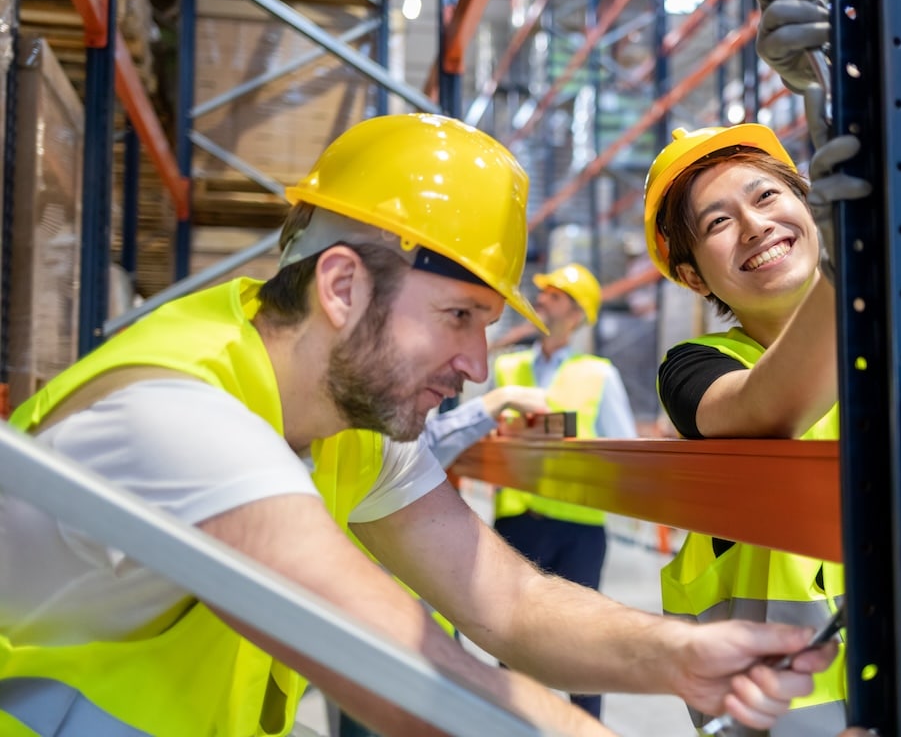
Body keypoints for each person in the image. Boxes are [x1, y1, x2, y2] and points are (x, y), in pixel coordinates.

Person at [0, 114, 840, 737]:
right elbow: (409, 675)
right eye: (458, 316)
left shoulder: (352, 426)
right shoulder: (176, 417)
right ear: (341, 288)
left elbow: (507, 604)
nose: (479, 364)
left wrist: (678, 658)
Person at [638, 0, 901, 737]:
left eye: (770, 194)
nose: (755, 226)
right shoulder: (696, 369)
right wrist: (853, 255)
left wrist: (874, 96)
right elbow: (767, 410)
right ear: (690, 273)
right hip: (786, 711)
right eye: (716, 224)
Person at [421, 262, 637, 721]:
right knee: (511, 637)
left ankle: (586, 728)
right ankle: (515, 724)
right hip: (516, 522)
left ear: (578, 313)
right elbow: (485, 435)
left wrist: (565, 437)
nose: (542, 300)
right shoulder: (510, 365)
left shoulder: (600, 374)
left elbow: (624, 450)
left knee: (584, 639)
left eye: (555, 295)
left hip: (578, 527)